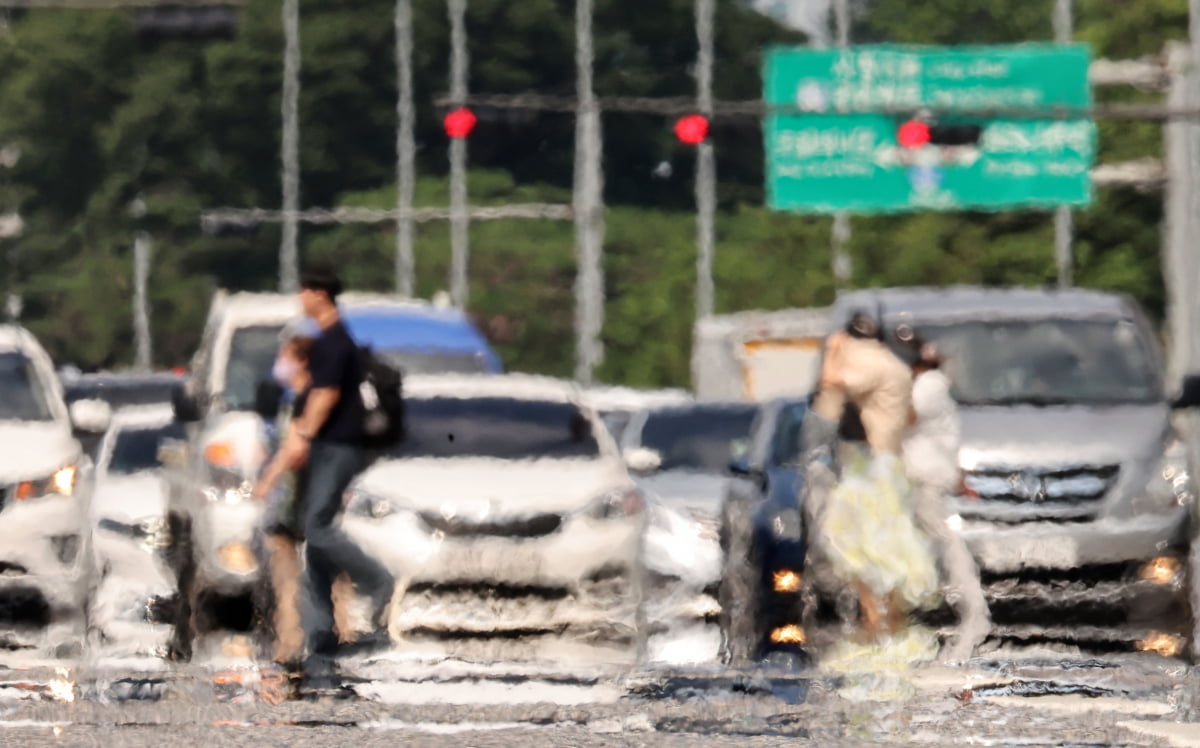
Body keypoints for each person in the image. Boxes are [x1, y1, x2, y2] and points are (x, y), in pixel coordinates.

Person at [807, 311, 938, 646]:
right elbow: (910, 417)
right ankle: (885, 620)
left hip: (872, 469)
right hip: (888, 465)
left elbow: (830, 389)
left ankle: (878, 620)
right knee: (884, 545)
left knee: (852, 542)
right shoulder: (893, 364)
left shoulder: (867, 362)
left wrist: (833, 350)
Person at [290, 267, 394, 675]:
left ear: (319, 294)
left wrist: (301, 434)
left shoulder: (334, 341)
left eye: (303, 291)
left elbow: (326, 395)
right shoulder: (327, 339)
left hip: (337, 446)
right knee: (312, 534)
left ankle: (377, 579)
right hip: (329, 447)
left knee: (316, 525)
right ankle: (318, 630)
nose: (300, 299)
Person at [897, 329, 991, 664]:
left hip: (926, 476)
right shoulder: (931, 384)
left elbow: (905, 417)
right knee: (929, 538)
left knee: (941, 539)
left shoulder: (929, 385)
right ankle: (945, 601)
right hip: (924, 474)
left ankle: (971, 604)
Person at [253, 334, 315, 667]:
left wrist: (267, 480)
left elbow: (294, 448)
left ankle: (292, 646)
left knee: (291, 577)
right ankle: (295, 642)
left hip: (296, 501)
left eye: (286, 356)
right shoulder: (296, 399)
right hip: (297, 501)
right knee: (295, 577)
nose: (281, 363)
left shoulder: (307, 400)